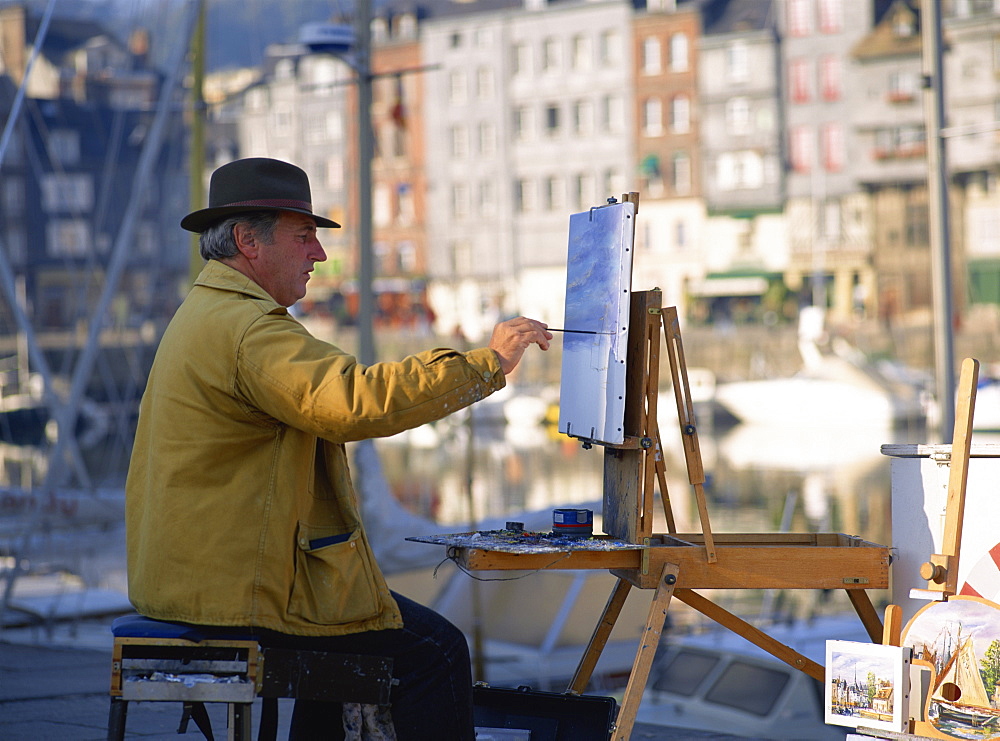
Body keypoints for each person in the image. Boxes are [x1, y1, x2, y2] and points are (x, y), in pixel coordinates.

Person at [125, 157, 552, 740]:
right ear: (248, 241)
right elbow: (354, 400)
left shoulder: (206, 312)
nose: (319, 255)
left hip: (194, 583)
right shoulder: (249, 329)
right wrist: (489, 363)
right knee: (436, 653)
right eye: (304, 237)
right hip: (235, 594)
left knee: (350, 635)